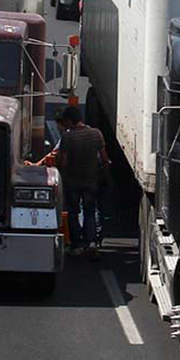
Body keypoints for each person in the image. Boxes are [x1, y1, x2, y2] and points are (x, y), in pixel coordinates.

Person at [54, 106, 109, 257]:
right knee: (89, 211)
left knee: (73, 211)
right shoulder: (96, 134)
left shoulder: (67, 137)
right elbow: (104, 158)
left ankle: (77, 245)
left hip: (72, 181)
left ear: (70, 121)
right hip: (91, 180)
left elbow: (63, 162)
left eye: (65, 122)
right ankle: (91, 242)